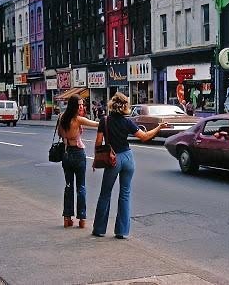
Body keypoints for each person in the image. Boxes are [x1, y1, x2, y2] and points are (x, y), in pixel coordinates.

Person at [92, 92, 168, 239]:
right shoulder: (127, 122)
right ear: (125, 106)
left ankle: (99, 229)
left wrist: (97, 159)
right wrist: (158, 127)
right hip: (128, 158)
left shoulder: (104, 120)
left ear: (111, 104)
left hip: (112, 159)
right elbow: (145, 137)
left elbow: (98, 143)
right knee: (125, 194)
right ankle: (122, 232)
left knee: (105, 194)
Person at [58, 94, 99, 228]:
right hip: (78, 153)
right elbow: (96, 124)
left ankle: (67, 218)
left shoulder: (61, 118)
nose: (82, 106)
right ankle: (82, 220)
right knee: (81, 186)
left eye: (82, 104)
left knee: (68, 185)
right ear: (74, 106)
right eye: (80, 104)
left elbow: (60, 134)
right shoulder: (78, 120)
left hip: (66, 153)